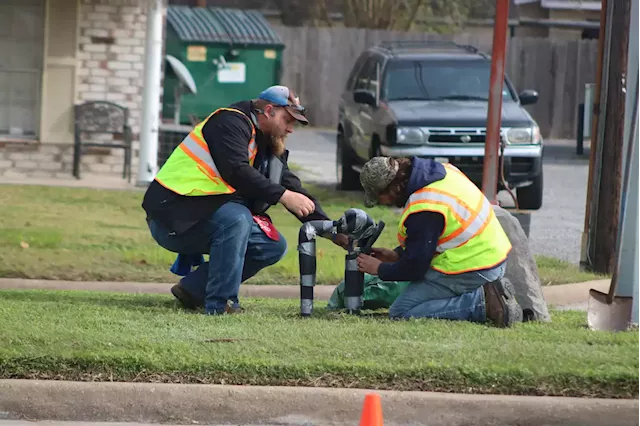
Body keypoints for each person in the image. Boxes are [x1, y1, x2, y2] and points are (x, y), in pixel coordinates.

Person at [142, 85, 348, 315]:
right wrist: (283, 196)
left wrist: (333, 231)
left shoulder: (266, 143)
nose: (291, 129)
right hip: (171, 217)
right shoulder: (229, 123)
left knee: (272, 246)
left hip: (200, 216)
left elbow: (293, 187)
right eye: (287, 120)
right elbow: (236, 171)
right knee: (236, 219)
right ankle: (221, 304)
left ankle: (194, 289)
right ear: (269, 110)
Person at [355, 156, 523, 327]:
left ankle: (484, 303)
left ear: (393, 188)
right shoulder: (442, 171)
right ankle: (489, 292)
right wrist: (397, 255)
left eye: (379, 197)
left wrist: (379, 269)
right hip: (492, 257)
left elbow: (415, 269)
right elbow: (433, 239)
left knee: (401, 311)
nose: (381, 203)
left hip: (475, 268)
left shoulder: (425, 206)